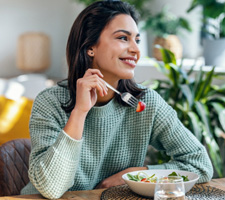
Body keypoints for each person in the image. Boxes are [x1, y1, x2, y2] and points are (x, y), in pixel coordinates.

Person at [21, 0, 213, 199]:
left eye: (137, 40)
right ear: (90, 47)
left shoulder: (145, 103)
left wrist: (136, 175)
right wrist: (79, 112)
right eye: (123, 38)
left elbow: (199, 164)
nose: (136, 50)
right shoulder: (50, 102)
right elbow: (50, 188)